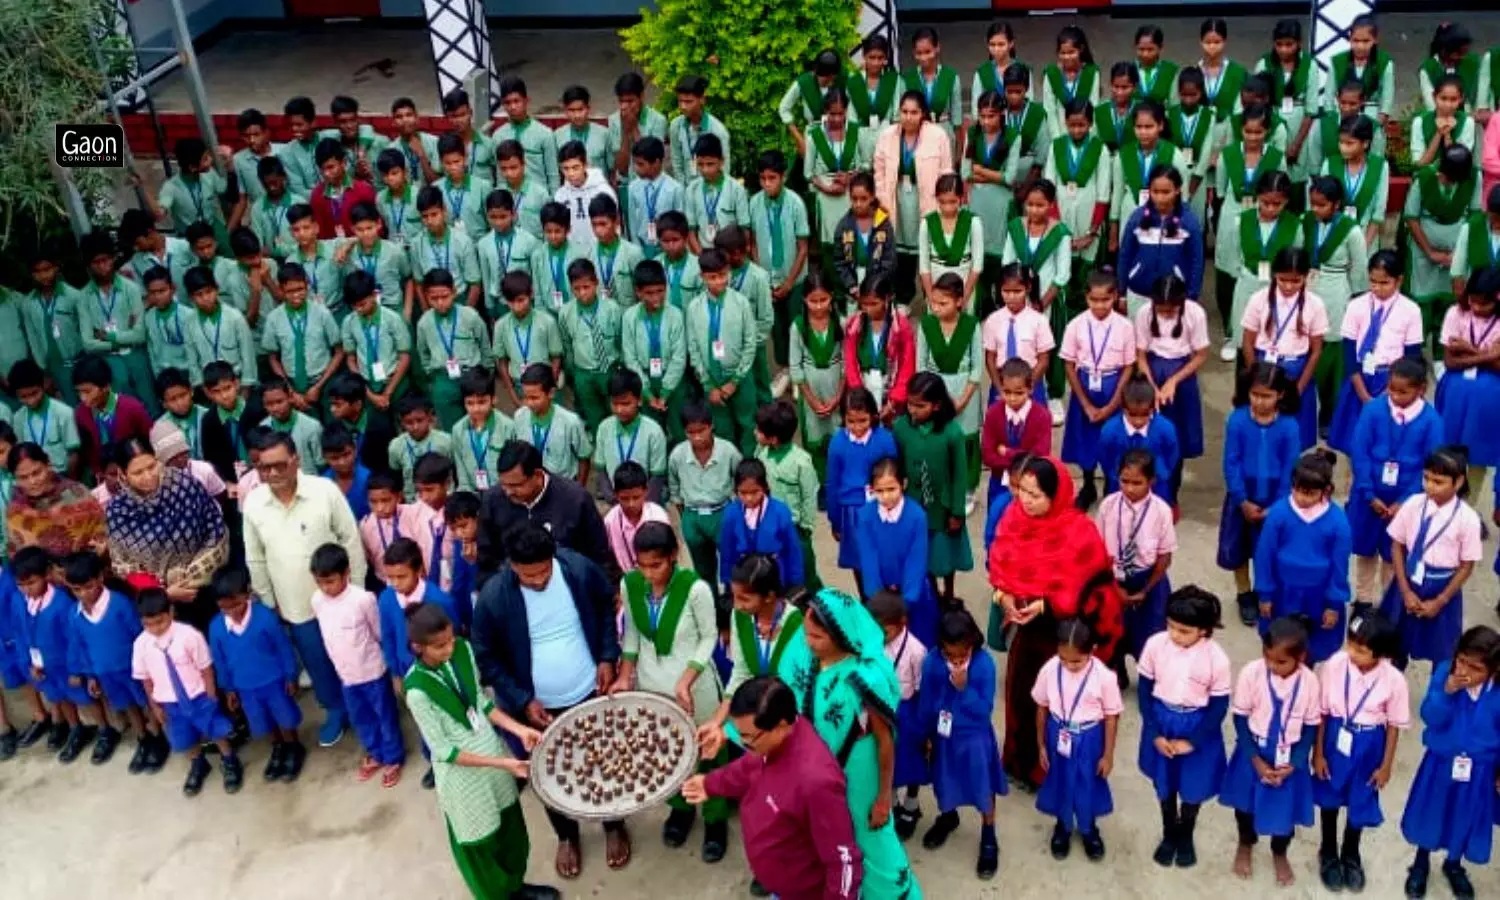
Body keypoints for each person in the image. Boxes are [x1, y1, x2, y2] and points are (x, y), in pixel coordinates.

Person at [468, 522, 626, 877]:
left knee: (606, 761)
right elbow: (487, 658)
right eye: (528, 575)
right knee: (549, 774)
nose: (538, 580)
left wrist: (605, 656)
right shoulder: (493, 597)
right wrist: (523, 700)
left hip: (590, 692)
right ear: (511, 565)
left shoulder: (578, 570)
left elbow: (605, 609)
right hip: (535, 711)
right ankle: (567, 835)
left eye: (543, 571)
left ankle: (614, 824)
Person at [400, 602, 559, 900]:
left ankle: (516, 887)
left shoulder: (463, 650)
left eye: (450, 640)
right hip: (464, 779)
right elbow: (445, 752)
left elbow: (481, 704)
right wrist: (502, 763)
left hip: (492, 753)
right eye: (439, 646)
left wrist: (519, 729)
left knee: (510, 830)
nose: (448, 649)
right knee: (480, 844)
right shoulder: (417, 690)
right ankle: (498, 896)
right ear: (417, 647)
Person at [777, 588, 923, 900]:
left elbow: (885, 743)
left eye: (817, 637)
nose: (808, 642)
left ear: (839, 637)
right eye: (807, 633)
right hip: (813, 775)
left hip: (858, 775)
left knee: (868, 836)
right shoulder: (805, 657)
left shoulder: (865, 678)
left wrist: (884, 798)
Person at [988, 455, 1124, 790]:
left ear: (1057, 494)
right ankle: (1020, 764)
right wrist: (1005, 598)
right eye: (1022, 491)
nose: (1026, 501)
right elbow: (1001, 571)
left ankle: (1056, 772)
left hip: (1064, 639)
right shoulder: (1012, 520)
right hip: (1028, 631)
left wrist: (1046, 604)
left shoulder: (1079, 532)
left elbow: (1091, 588)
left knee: (1061, 707)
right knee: (1021, 698)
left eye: (1036, 496)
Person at [682, 676, 863, 900]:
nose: (743, 743)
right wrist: (710, 784)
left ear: (780, 727)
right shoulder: (768, 744)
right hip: (779, 882)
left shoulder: (816, 782)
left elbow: (843, 861)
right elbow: (748, 767)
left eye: (748, 738)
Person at [610, 522, 728, 860]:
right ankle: (681, 809)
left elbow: (708, 637)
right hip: (652, 684)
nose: (648, 573)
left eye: (656, 565)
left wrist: (687, 679)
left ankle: (715, 818)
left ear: (673, 557)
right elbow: (632, 633)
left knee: (707, 752)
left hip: (696, 686)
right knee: (668, 752)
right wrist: (624, 675)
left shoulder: (695, 589)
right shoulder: (630, 583)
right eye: (641, 565)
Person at [242, 431, 366, 746]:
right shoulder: (255, 502)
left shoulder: (324, 491)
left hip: (340, 598)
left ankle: (364, 706)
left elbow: (350, 539)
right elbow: (255, 556)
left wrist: (357, 590)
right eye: (263, 467)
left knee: (353, 654)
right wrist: (269, 600)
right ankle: (335, 710)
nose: (271, 474)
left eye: (279, 466)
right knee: (316, 661)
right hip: (295, 605)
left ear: (296, 460)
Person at [1397, 625, 1500, 900]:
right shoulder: (1445, 673)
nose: (1464, 670)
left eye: (1475, 668)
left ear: (1493, 670)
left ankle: (1453, 865)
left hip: (1479, 770)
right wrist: (1446, 691)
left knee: (1464, 818)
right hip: (1441, 764)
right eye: (1461, 660)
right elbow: (1430, 715)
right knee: (1432, 813)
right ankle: (1420, 863)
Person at [1310, 611, 1408, 893]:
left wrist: (1386, 765)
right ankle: (1328, 850)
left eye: (1361, 650)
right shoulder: (1334, 665)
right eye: (1350, 644)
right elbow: (1323, 713)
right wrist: (1318, 753)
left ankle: (1351, 852)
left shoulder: (1393, 680)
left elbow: (1393, 726)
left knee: (1360, 798)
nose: (1352, 652)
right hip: (1334, 739)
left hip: (1369, 745)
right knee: (1329, 796)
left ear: (1381, 654)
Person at [1135, 586, 1232, 868]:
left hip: (1197, 725)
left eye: (1184, 631)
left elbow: (1218, 707)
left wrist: (1193, 741)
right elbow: (1144, 689)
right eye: (1171, 626)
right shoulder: (1156, 644)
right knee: (1164, 785)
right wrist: (1153, 732)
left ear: (1204, 629)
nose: (1174, 635)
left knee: (1193, 786)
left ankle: (1186, 831)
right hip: (1162, 719)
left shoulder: (1217, 659)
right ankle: (1168, 831)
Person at [1221, 617, 1321, 887]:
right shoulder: (1252, 673)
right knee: (1245, 806)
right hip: (1253, 750)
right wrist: (1254, 758)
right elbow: (1240, 718)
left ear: (1301, 657)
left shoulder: (1310, 682)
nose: (1272, 666)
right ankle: (1245, 843)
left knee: (1285, 812)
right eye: (1268, 658)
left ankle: (1279, 852)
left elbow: (1311, 726)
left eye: (1281, 662)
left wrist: (1297, 762)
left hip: (1289, 756)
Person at [915, 608, 1005, 879]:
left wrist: (964, 688)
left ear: (972, 644)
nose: (954, 660)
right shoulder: (932, 662)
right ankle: (948, 816)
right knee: (944, 780)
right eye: (948, 654)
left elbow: (984, 710)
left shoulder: (983, 665)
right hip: (943, 736)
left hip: (973, 737)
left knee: (982, 785)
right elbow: (927, 702)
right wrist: (927, 733)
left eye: (961, 654)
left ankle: (988, 833)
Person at [104, 437, 229, 630]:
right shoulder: (118, 511)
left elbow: (215, 529)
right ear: (122, 474)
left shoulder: (184, 486)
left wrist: (192, 576)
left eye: (152, 466)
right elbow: (123, 565)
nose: (148, 476)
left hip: (205, 589)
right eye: (137, 472)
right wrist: (165, 592)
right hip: (160, 605)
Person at [1347, 357, 1444, 606]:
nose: (1395, 396)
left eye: (1404, 391)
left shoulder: (1432, 421)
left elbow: (1430, 465)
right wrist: (1368, 493)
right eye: (1391, 389)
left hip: (1407, 499)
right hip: (1370, 495)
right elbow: (1360, 452)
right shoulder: (1373, 410)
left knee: (1395, 553)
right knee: (1365, 551)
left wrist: (1405, 501)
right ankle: (1363, 602)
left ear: (1421, 389)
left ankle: (1388, 605)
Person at [130, 586, 243, 796]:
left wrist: (210, 696)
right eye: (148, 624)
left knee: (215, 729)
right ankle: (198, 764)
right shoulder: (141, 645)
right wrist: (155, 706)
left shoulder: (189, 635)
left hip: (198, 696)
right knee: (185, 736)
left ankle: (229, 760)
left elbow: (206, 668)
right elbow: (145, 679)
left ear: (171, 612)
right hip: (170, 703)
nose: (155, 628)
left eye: (160, 621)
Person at [310, 543, 405, 787]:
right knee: (360, 717)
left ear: (347, 573)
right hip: (346, 676)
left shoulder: (363, 599)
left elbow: (378, 633)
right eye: (320, 582)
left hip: (372, 672)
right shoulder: (317, 601)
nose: (325, 588)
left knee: (385, 715)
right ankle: (375, 752)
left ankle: (393, 757)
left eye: (330, 581)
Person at [1379, 446, 1483, 666]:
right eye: (1426, 478)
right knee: (1394, 648)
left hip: (1442, 587)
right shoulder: (1413, 504)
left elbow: (1466, 565)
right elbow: (1397, 546)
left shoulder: (1468, 519)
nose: (1430, 486)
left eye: (1438, 481)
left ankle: (1435, 699)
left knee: (1443, 654)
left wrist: (1440, 600)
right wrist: (1405, 590)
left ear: (1459, 482)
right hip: (1407, 582)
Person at [1218, 363, 1301, 627]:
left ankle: (1267, 591)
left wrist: (1277, 504)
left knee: (1272, 549)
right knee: (1239, 548)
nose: (1259, 401)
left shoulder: (1289, 426)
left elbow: (1291, 466)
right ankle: (1244, 594)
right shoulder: (1238, 419)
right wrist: (1241, 499)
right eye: (1255, 395)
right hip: (1242, 495)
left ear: (1280, 395)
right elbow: (1231, 461)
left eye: (1266, 396)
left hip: (1276, 497)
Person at [62, 550, 162, 768]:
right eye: (76, 590)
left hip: (133, 669)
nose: (83, 595)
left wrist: (150, 667)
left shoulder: (120, 605)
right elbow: (80, 646)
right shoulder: (74, 614)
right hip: (105, 672)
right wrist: (90, 676)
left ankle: (157, 738)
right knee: (127, 706)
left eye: (88, 587)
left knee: (145, 703)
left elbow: (139, 636)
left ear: (100, 578)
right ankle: (142, 738)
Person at [206, 565, 306, 783]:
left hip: (274, 681)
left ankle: (293, 747)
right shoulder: (216, 628)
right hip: (245, 687)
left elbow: (283, 647)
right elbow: (220, 661)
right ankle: (278, 747)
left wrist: (290, 675)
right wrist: (228, 689)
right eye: (226, 608)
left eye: (237, 605)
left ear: (247, 593)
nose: (233, 612)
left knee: (284, 716)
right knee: (262, 720)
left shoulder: (265, 617)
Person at [1253, 451, 1353, 665]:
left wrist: (1333, 604)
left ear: (1325, 491)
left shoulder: (1338, 521)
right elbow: (1264, 555)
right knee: (1280, 646)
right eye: (1297, 490)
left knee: (1310, 649)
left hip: (1317, 597)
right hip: (1283, 591)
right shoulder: (1279, 513)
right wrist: (1265, 594)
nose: (1301, 498)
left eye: (1308, 493)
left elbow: (1339, 567)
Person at [1033, 618, 1121, 861]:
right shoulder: (1050, 669)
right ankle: (1062, 826)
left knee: (1088, 781)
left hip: (1090, 736)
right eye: (1063, 658)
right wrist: (1041, 744)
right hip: (1057, 731)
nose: (1069, 665)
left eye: (1076, 661)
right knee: (1060, 778)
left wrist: (1108, 754)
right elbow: (1041, 706)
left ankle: (1088, 827)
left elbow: (1112, 716)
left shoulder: (1104, 677)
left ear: (1092, 650)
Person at [474, 441, 612, 583]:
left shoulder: (575, 499)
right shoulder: (493, 500)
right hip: (512, 588)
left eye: (516, 485)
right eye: (504, 484)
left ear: (537, 475)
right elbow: (486, 558)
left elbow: (598, 555)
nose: (508, 492)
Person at [1327, 251, 1423, 454]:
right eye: (1373, 281)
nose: (1377, 288)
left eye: (1384, 282)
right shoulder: (1356, 306)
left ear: (1399, 280)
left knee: (1384, 441)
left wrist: (1391, 391)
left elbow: (1412, 356)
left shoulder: (1411, 310)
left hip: (1393, 381)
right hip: (1359, 379)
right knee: (1353, 441)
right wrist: (1363, 393)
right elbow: (1349, 351)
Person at [1240, 247, 1328, 449]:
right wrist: (1256, 378)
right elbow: (1247, 342)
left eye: (1296, 281)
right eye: (1282, 279)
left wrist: (1299, 388)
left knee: (1294, 437)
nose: (1288, 286)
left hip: (1296, 371)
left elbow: (1315, 351)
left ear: (1306, 277)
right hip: (1263, 367)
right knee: (1262, 432)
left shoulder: (1315, 305)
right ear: (1274, 274)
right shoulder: (1259, 299)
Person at [1061, 272, 1135, 509]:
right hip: (1085, 385)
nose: (1099, 305)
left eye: (1105, 300)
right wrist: (1085, 403)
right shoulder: (1076, 325)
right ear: (1086, 298)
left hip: (1114, 384)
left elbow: (1128, 367)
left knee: (1114, 440)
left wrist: (1113, 404)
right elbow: (1069, 365)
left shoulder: (1125, 327)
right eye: (1094, 300)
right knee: (1084, 439)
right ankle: (1089, 484)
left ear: (1114, 297)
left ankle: (1113, 486)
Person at [1096, 449, 1175, 673]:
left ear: (1151, 481)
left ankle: (1148, 679)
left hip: (1148, 579)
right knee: (1113, 631)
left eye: (1137, 482)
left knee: (1151, 636)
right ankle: (1116, 673)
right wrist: (1115, 587)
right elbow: (1099, 550)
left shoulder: (1161, 511)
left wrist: (1146, 590)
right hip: (1114, 579)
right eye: (1124, 481)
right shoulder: (1108, 506)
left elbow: (1165, 555)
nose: (1129, 488)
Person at [874, 92, 955, 309]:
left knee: (928, 246)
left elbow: (947, 171)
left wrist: (943, 202)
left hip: (926, 196)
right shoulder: (887, 135)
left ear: (923, 114)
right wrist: (882, 197)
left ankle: (935, 296)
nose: (908, 117)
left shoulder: (937, 135)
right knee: (901, 247)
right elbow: (879, 170)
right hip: (897, 196)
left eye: (914, 112)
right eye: (904, 112)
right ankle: (904, 296)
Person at [1135, 274, 1208, 500]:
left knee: (1179, 437)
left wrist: (1173, 381)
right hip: (1153, 370)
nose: (1166, 313)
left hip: (1182, 373)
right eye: (1162, 309)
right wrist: (1152, 387)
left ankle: (1172, 493)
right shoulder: (1144, 313)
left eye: (1171, 309)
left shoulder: (1195, 313)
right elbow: (1141, 356)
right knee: (1150, 434)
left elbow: (1201, 355)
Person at [854, 457, 937, 647]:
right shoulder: (865, 516)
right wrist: (879, 601)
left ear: (904, 484)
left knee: (918, 647)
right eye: (879, 491)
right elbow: (869, 560)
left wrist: (905, 605)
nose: (886, 496)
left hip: (912, 598)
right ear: (871, 490)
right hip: (881, 598)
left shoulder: (917, 517)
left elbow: (915, 562)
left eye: (891, 489)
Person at [687, 249, 759, 454]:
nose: (718, 282)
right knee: (721, 430)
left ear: (728, 272)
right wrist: (708, 385)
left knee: (748, 425)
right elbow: (693, 347)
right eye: (712, 277)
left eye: (722, 275)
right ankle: (728, 468)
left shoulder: (741, 303)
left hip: (740, 377)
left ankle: (749, 468)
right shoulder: (694, 308)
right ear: (702, 277)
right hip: (711, 379)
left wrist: (735, 381)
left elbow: (750, 343)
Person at [870, 590, 928, 841]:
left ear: (902, 623)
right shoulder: (872, 643)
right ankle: (891, 800)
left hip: (906, 709)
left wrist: (921, 725)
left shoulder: (916, 650)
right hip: (880, 707)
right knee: (884, 756)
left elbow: (920, 687)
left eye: (886, 631)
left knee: (911, 758)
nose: (880, 636)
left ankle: (912, 805)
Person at [1437, 266, 1500, 486]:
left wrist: (1468, 348)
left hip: (1489, 398)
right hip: (1455, 392)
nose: (1476, 307)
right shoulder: (1456, 313)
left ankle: (1468, 507)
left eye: (1484, 304)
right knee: (1446, 447)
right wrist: (1488, 355)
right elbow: (1450, 362)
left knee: (1478, 454)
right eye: (1473, 301)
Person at [826, 389, 896, 571]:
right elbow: (832, 483)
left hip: (881, 507)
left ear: (873, 416)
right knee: (858, 562)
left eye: (862, 421)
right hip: (850, 512)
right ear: (843, 418)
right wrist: (834, 521)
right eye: (851, 421)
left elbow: (894, 476)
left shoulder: (885, 440)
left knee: (883, 558)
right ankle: (864, 598)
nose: (857, 428)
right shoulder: (837, 442)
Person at [717, 459, 802, 594]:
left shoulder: (780, 511)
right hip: (743, 577)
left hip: (775, 577)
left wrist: (796, 582)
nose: (749, 498)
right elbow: (727, 550)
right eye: (743, 493)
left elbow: (792, 549)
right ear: (735, 490)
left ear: (765, 487)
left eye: (755, 492)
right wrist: (728, 582)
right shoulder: (731, 513)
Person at [6, 442, 105, 559]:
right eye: (23, 477)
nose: (32, 481)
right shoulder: (16, 512)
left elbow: (101, 534)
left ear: (48, 464)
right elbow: (19, 558)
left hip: (83, 571)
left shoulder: (78, 494)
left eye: (36, 473)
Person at [788, 271, 844, 477]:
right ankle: (819, 483)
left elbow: (847, 363)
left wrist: (838, 397)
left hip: (835, 387)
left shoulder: (841, 323)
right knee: (814, 438)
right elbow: (795, 367)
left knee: (837, 434)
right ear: (805, 299)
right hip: (811, 389)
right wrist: (810, 399)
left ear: (831, 297)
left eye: (823, 300)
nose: (819, 305)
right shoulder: (798, 326)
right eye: (813, 301)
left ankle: (837, 480)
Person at [557, 259, 623, 434]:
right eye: (576, 289)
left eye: (586, 287)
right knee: (592, 412)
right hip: (583, 373)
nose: (582, 293)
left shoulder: (612, 309)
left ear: (596, 283)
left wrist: (620, 368)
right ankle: (599, 439)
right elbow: (567, 344)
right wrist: (573, 372)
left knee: (616, 409)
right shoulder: (565, 313)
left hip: (609, 369)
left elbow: (619, 340)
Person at [979, 358, 1052, 508]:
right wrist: (1023, 457)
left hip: (1030, 486)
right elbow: (987, 456)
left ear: (1031, 388)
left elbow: (1041, 455)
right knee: (997, 523)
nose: (1012, 398)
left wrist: (1007, 452)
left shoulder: (1042, 416)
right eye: (1007, 392)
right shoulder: (993, 413)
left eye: (1019, 393)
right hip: (999, 483)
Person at [1095, 377, 1180, 503]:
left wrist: (1161, 474)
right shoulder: (1109, 431)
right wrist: (1118, 477)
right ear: (1123, 409)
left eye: (1145, 414)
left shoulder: (1166, 429)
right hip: (1119, 490)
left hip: (1157, 490)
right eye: (1133, 415)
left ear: (1153, 408)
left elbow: (1172, 457)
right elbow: (1106, 460)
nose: (1138, 421)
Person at [843, 273, 915, 423]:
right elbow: (850, 362)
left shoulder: (901, 327)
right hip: (863, 386)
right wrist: (859, 395)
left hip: (890, 388)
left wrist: (893, 401)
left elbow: (907, 366)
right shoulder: (854, 325)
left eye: (874, 303)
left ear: (887, 299)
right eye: (864, 304)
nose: (868, 309)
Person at [593, 368, 666, 499]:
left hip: (646, 499)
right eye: (614, 404)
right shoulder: (604, 428)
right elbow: (601, 470)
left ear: (639, 400)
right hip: (615, 499)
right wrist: (612, 498)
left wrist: (641, 503)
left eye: (626, 403)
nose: (619, 410)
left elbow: (657, 476)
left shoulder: (654, 432)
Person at [513, 364, 591, 484]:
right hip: (531, 484)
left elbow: (584, 457)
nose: (529, 403)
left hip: (562, 485)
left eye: (534, 398)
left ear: (551, 393)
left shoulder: (570, 422)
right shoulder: (519, 417)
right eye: (526, 397)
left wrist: (579, 490)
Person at [9, 359, 82, 472]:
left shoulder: (64, 412)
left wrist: (70, 482)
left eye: (34, 393)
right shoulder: (18, 418)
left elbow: (73, 454)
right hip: (34, 477)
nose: (31, 401)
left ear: (44, 385)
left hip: (61, 474)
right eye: (23, 397)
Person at [601, 462, 669, 578]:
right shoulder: (610, 521)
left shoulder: (658, 516)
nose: (631, 504)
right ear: (616, 494)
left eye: (636, 497)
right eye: (625, 499)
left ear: (646, 491)